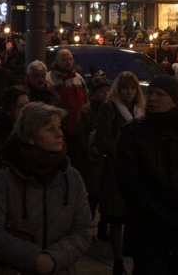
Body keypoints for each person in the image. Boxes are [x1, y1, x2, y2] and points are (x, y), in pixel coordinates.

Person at [0, 102, 94, 274]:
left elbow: (84, 229)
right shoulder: (6, 179)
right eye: (50, 129)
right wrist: (33, 258)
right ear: (30, 136)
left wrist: (55, 258)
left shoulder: (71, 177)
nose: (59, 134)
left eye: (59, 127)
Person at [116, 75, 178, 274]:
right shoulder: (132, 133)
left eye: (160, 94)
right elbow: (129, 182)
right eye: (151, 93)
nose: (152, 98)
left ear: (173, 99)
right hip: (147, 230)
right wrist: (163, 213)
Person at [93, 71, 145, 274]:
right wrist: (122, 151)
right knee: (116, 216)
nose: (129, 92)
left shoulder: (141, 108)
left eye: (132, 88)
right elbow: (102, 138)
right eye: (124, 88)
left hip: (138, 169)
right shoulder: (110, 107)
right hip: (116, 169)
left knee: (136, 215)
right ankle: (118, 260)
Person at [75, 75, 112, 241]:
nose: (105, 94)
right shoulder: (86, 110)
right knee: (93, 196)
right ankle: (87, 227)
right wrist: (88, 150)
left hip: (106, 159)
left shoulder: (111, 108)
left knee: (106, 197)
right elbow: (81, 134)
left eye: (107, 91)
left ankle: (103, 228)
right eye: (101, 91)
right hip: (92, 161)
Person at [48, 49, 88, 163]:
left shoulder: (78, 78)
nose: (68, 62)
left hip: (77, 129)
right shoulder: (49, 79)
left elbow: (86, 100)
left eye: (70, 59)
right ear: (57, 61)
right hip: (59, 129)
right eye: (64, 59)